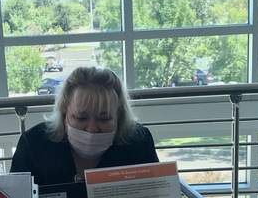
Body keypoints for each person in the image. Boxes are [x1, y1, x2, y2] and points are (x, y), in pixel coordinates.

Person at [10, 66, 158, 186]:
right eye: (81, 118)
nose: (92, 128)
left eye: (104, 119)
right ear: (64, 114)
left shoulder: (139, 143)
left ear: (119, 118)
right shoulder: (34, 144)